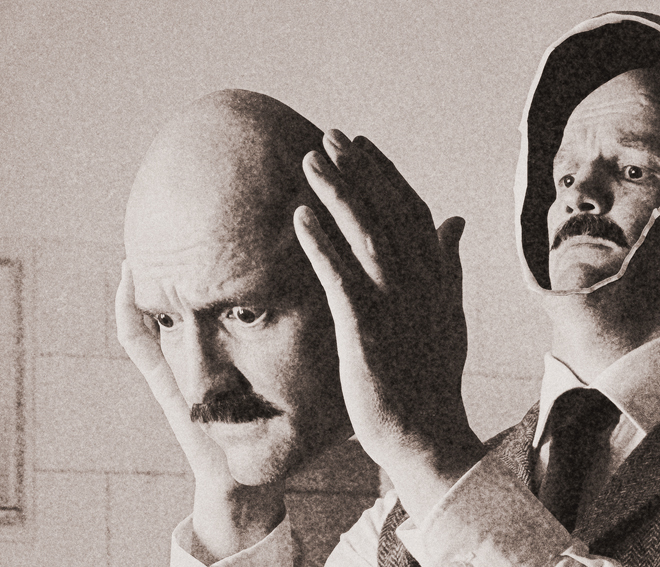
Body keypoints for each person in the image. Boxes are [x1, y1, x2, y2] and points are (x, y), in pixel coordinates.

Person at [154, 12, 660, 567]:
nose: (581, 195)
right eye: (565, 174)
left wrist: (430, 454)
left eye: (632, 168)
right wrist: (230, 498)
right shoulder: (405, 516)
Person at [118, 88, 473, 564]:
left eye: (245, 314)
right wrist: (233, 502)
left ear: (365, 281)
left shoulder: (512, 505)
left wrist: (429, 453)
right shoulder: (378, 544)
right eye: (167, 320)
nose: (201, 383)